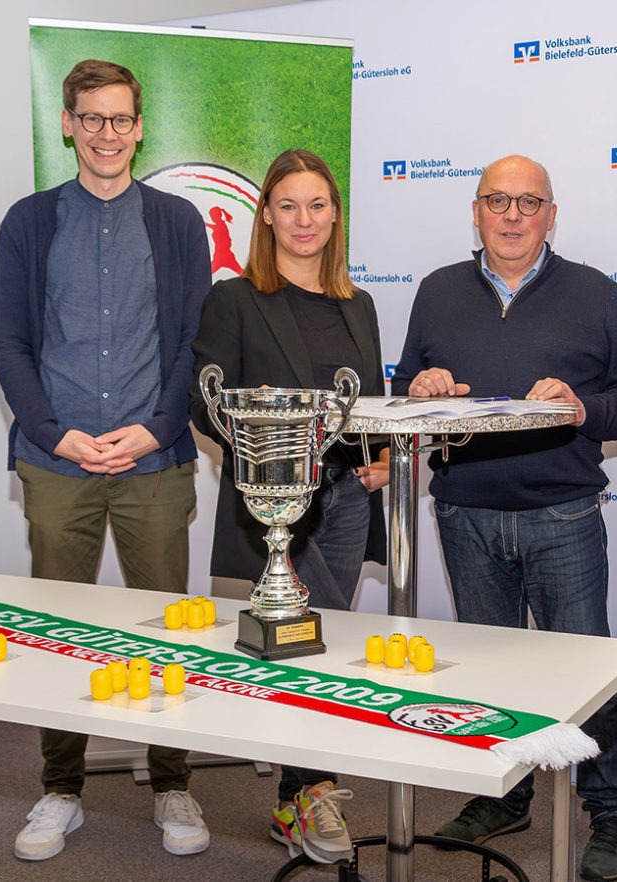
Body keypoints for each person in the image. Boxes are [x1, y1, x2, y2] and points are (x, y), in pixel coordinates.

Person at [392, 154, 617, 882]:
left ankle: (610, 810)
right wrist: (419, 385)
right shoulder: (437, 290)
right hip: (465, 513)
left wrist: (583, 408)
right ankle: (503, 795)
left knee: (586, 672)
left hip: (561, 512)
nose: (512, 216)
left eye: (528, 202)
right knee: (492, 671)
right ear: (476, 211)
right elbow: (404, 381)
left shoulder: (594, 291)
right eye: (497, 201)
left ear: (551, 214)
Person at [0, 59, 212, 861]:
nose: (107, 135)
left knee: (165, 629)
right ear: (68, 124)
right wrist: (54, 434)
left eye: (121, 120)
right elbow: (10, 345)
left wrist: (158, 427)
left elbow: (196, 342)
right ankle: (60, 789)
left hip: (155, 461)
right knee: (58, 630)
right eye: (92, 119)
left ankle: (172, 782)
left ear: (140, 126)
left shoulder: (179, 222)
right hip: (59, 462)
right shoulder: (29, 221)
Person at [189, 148, 388, 865]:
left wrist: (378, 461)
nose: (303, 220)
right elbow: (205, 403)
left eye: (316, 205)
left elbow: (366, 404)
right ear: (266, 214)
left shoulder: (358, 305)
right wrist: (272, 456)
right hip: (275, 503)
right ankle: (315, 791)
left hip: (346, 501)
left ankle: (295, 800)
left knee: (317, 641)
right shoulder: (234, 300)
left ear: (334, 216)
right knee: (318, 642)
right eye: (288, 206)